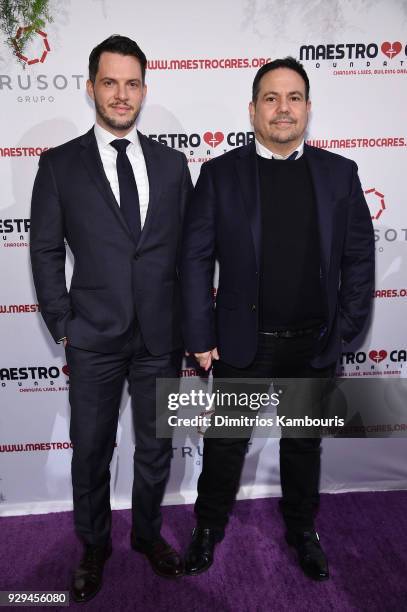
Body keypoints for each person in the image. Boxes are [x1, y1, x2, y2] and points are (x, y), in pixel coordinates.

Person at [180, 57, 374, 580]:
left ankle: (301, 528)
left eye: (293, 98)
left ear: (308, 108)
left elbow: (358, 257)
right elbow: (195, 259)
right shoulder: (219, 174)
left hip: (313, 344)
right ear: (252, 110)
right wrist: (199, 333)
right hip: (243, 343)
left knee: (303, 445)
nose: (282, 108)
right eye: (271, 98)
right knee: (225, 446)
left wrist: (346, 329)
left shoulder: (340, 174)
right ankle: (208, 527)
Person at [30, 35, 192, 602]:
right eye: (110, 82)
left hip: (159, 339)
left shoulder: (174, 166)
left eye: (132, 83)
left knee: (155, 450)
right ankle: (93, 545)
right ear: (91, 87)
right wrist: (63, 322)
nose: (121, 95)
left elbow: (190, 254)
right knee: (91, 451)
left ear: (144, 89)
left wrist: (194, 329)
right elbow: (45, 250)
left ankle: (147, 536)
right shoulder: (58, 165)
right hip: (93, 338)